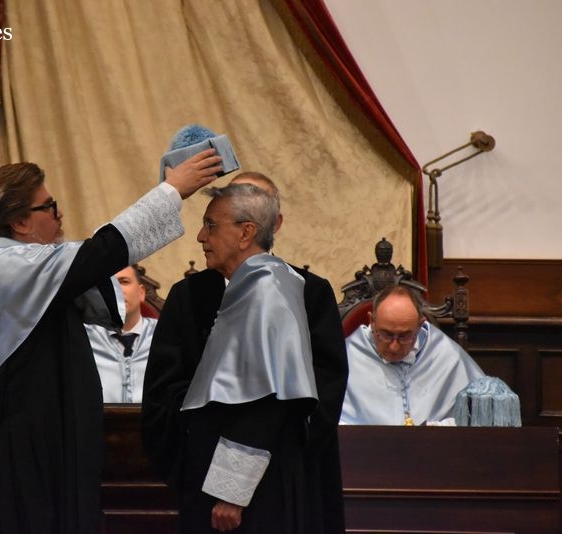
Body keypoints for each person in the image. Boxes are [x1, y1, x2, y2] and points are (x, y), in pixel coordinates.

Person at [0, 150, 223, 533]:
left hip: (60, 429)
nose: (59, 216)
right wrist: (172, 191)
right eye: (49, 207)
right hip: (26, 436)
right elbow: (100, 253)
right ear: (21, 221)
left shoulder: (32, 261)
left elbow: (94, 271)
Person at [142, 172, 348, 534]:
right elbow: (167, 382)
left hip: (264, 480)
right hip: (208, 473)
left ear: (246, 232)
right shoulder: (194, 294)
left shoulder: (275, 290)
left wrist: (232, 487)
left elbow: (270, 399)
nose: (200, 236)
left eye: (210, 225)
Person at [341, 283, 485, 425]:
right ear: (372, 321)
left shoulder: (445, 353)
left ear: (420, 325)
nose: (394, 347)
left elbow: (481, 413)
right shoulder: (347, 355)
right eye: (386, 334)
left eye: (404, 336)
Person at [85, 264, 156, 403]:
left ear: (141, 293)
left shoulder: (163, 334)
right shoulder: (84, 337)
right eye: (109, 284)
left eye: (124, 282)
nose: (116, 290)